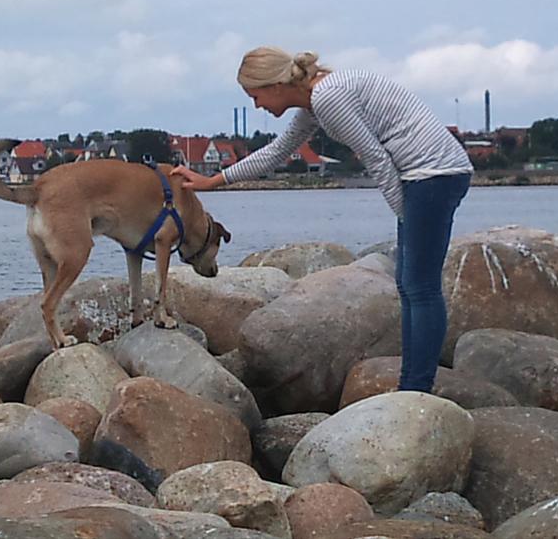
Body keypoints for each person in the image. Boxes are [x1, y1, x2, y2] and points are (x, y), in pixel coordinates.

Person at [172, 46, 473, 393]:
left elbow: (374, 156)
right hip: (425, 177)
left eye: (255, 96)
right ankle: (414, 383)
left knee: (419, 286)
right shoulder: (316, 99)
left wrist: (404, 217)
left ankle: (416, 389)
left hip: (433, 175)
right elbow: (276, 152)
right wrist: (213, 181)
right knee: (410, 284)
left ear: (275, 84)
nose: (257, 106)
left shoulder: (328, 97)